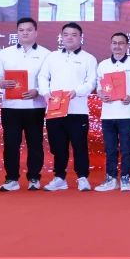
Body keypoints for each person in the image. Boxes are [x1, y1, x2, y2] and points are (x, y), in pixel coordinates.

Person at [37, 22, 97, 191]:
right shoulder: (52, 57)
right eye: (66, 34)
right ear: (61, 37)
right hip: (55, 110)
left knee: (79, 145)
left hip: (78, 110)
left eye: (74, 35)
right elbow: (43, 77)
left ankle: (82, 177)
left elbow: (91, 82)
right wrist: (45, 92)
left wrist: (77, 91)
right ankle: (59, 178)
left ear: (80, 37)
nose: (69, 38)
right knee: (58, 147)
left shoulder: (89, 58)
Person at [0, 17, 50, 191]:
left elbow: (50, 79)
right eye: (21, 30)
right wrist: (0, 82)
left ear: (36, 32)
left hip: (35, 106)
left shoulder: (47, 54)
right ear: (17, 32)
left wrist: (38, 90)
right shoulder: (5, 53)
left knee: (35, 143)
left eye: (29, 30)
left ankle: (34, 177)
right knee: (11, 144)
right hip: (10, 107)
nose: (25, 33)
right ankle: (11, 179)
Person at [94, 32, 130, 192]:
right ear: (110, 45)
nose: (117, 46)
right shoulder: (103, 65)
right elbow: (99, 87)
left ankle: (126, 178)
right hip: (108, 114)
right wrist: (101, 94)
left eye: (121, 43)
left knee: (127, 149)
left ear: (127, 46)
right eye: (114, 43)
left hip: (127, 113)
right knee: (110, 149)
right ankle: (111, 179)